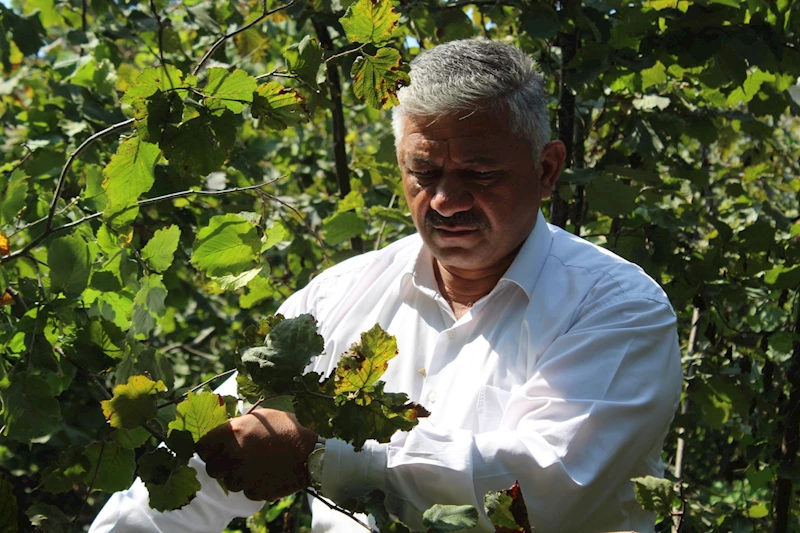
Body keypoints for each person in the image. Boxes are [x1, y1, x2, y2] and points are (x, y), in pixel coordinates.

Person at [90, 39, 682, 533]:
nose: (446, 200)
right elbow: (222, 461)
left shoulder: (615, 306)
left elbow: (547, 488)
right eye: (424, 172)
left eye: (479, 174)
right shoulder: (336, 299)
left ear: (547, 169)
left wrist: (321, 455)